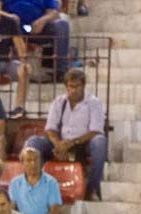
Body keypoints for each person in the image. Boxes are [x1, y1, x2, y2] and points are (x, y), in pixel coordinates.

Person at [26, 68, 107, 201]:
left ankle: (92, 188)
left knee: (100, 141)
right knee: (33, 143)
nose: (73, 90)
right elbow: (50, 128)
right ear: (66, 87)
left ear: (83, 86)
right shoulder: (59, 102)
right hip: (60, 143)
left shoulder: (93, 103)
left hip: (82, 144)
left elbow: (96, 130)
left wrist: (71, 143)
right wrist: (58, 144)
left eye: (77, 86)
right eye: (70, 87)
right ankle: (33, 184)